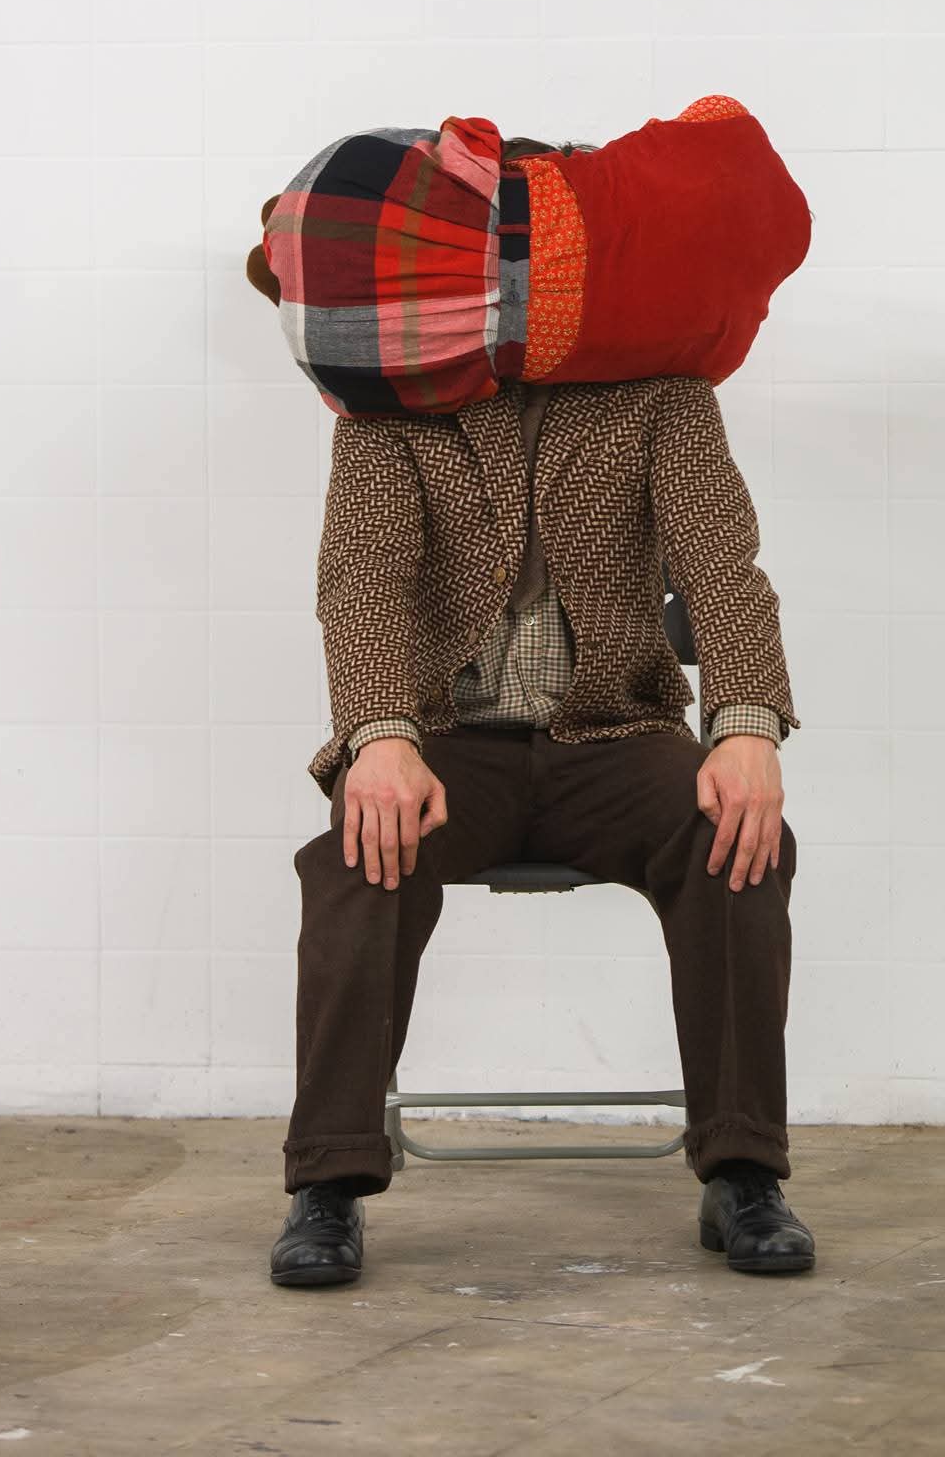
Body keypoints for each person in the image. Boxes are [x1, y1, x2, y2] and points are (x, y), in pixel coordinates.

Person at [269, 140, 815, 1289]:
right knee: (353, 857)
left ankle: (741, 1171)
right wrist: (377, 738)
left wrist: (746, 724)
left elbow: (723, 566)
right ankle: (328, 1182)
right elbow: (359, 580)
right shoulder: (388, 406)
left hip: (611, 733)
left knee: (737, 839)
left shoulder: (661, 395)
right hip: (444, 744)